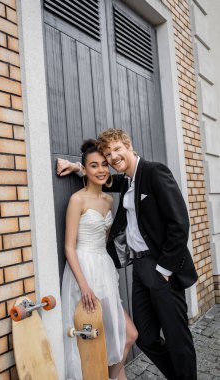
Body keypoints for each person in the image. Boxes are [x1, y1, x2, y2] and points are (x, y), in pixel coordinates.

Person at [57, 129, 198, 380]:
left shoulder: (155, 172)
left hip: (162, 268)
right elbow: (103, 178)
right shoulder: (128, 181)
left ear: (129, 146)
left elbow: (179, 224)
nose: (113, 157)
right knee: (144, 335)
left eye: (116, 150)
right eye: (108, 154)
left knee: (177, 337)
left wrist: (165, 270)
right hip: (140, 270)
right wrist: (77, 167)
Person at [60, 139, 138, 380]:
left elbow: (106, 239)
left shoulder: (109, 200)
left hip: (104, 267)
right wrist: (84, 286)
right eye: (94, 166)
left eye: (104, 164)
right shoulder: (77, 200)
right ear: (85, 169)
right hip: (83, 270)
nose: (101, 169)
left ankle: (112, 376)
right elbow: (69, 247)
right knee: (90, 337)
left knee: (126, 335)